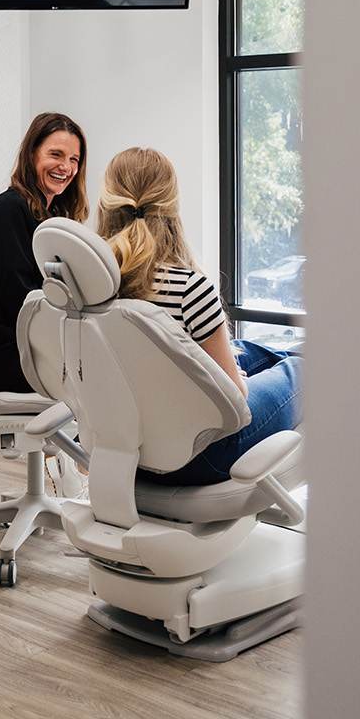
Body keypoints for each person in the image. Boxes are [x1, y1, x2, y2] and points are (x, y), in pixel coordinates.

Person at [95, 147, 302, 486]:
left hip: (126, 449)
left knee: (248, 349)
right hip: (200, 455)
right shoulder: (190, 288)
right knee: (300, 368)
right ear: (171, 206)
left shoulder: (92, 288)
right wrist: (239, 382)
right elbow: (236, 400)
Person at [0, 112, 88, 393]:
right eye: (56, 155)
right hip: (6, 360)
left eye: (74, 160)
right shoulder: (9, 210)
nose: (66, 167)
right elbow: (20, 299)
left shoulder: (49, 216)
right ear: (32, 153)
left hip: (32, 352)